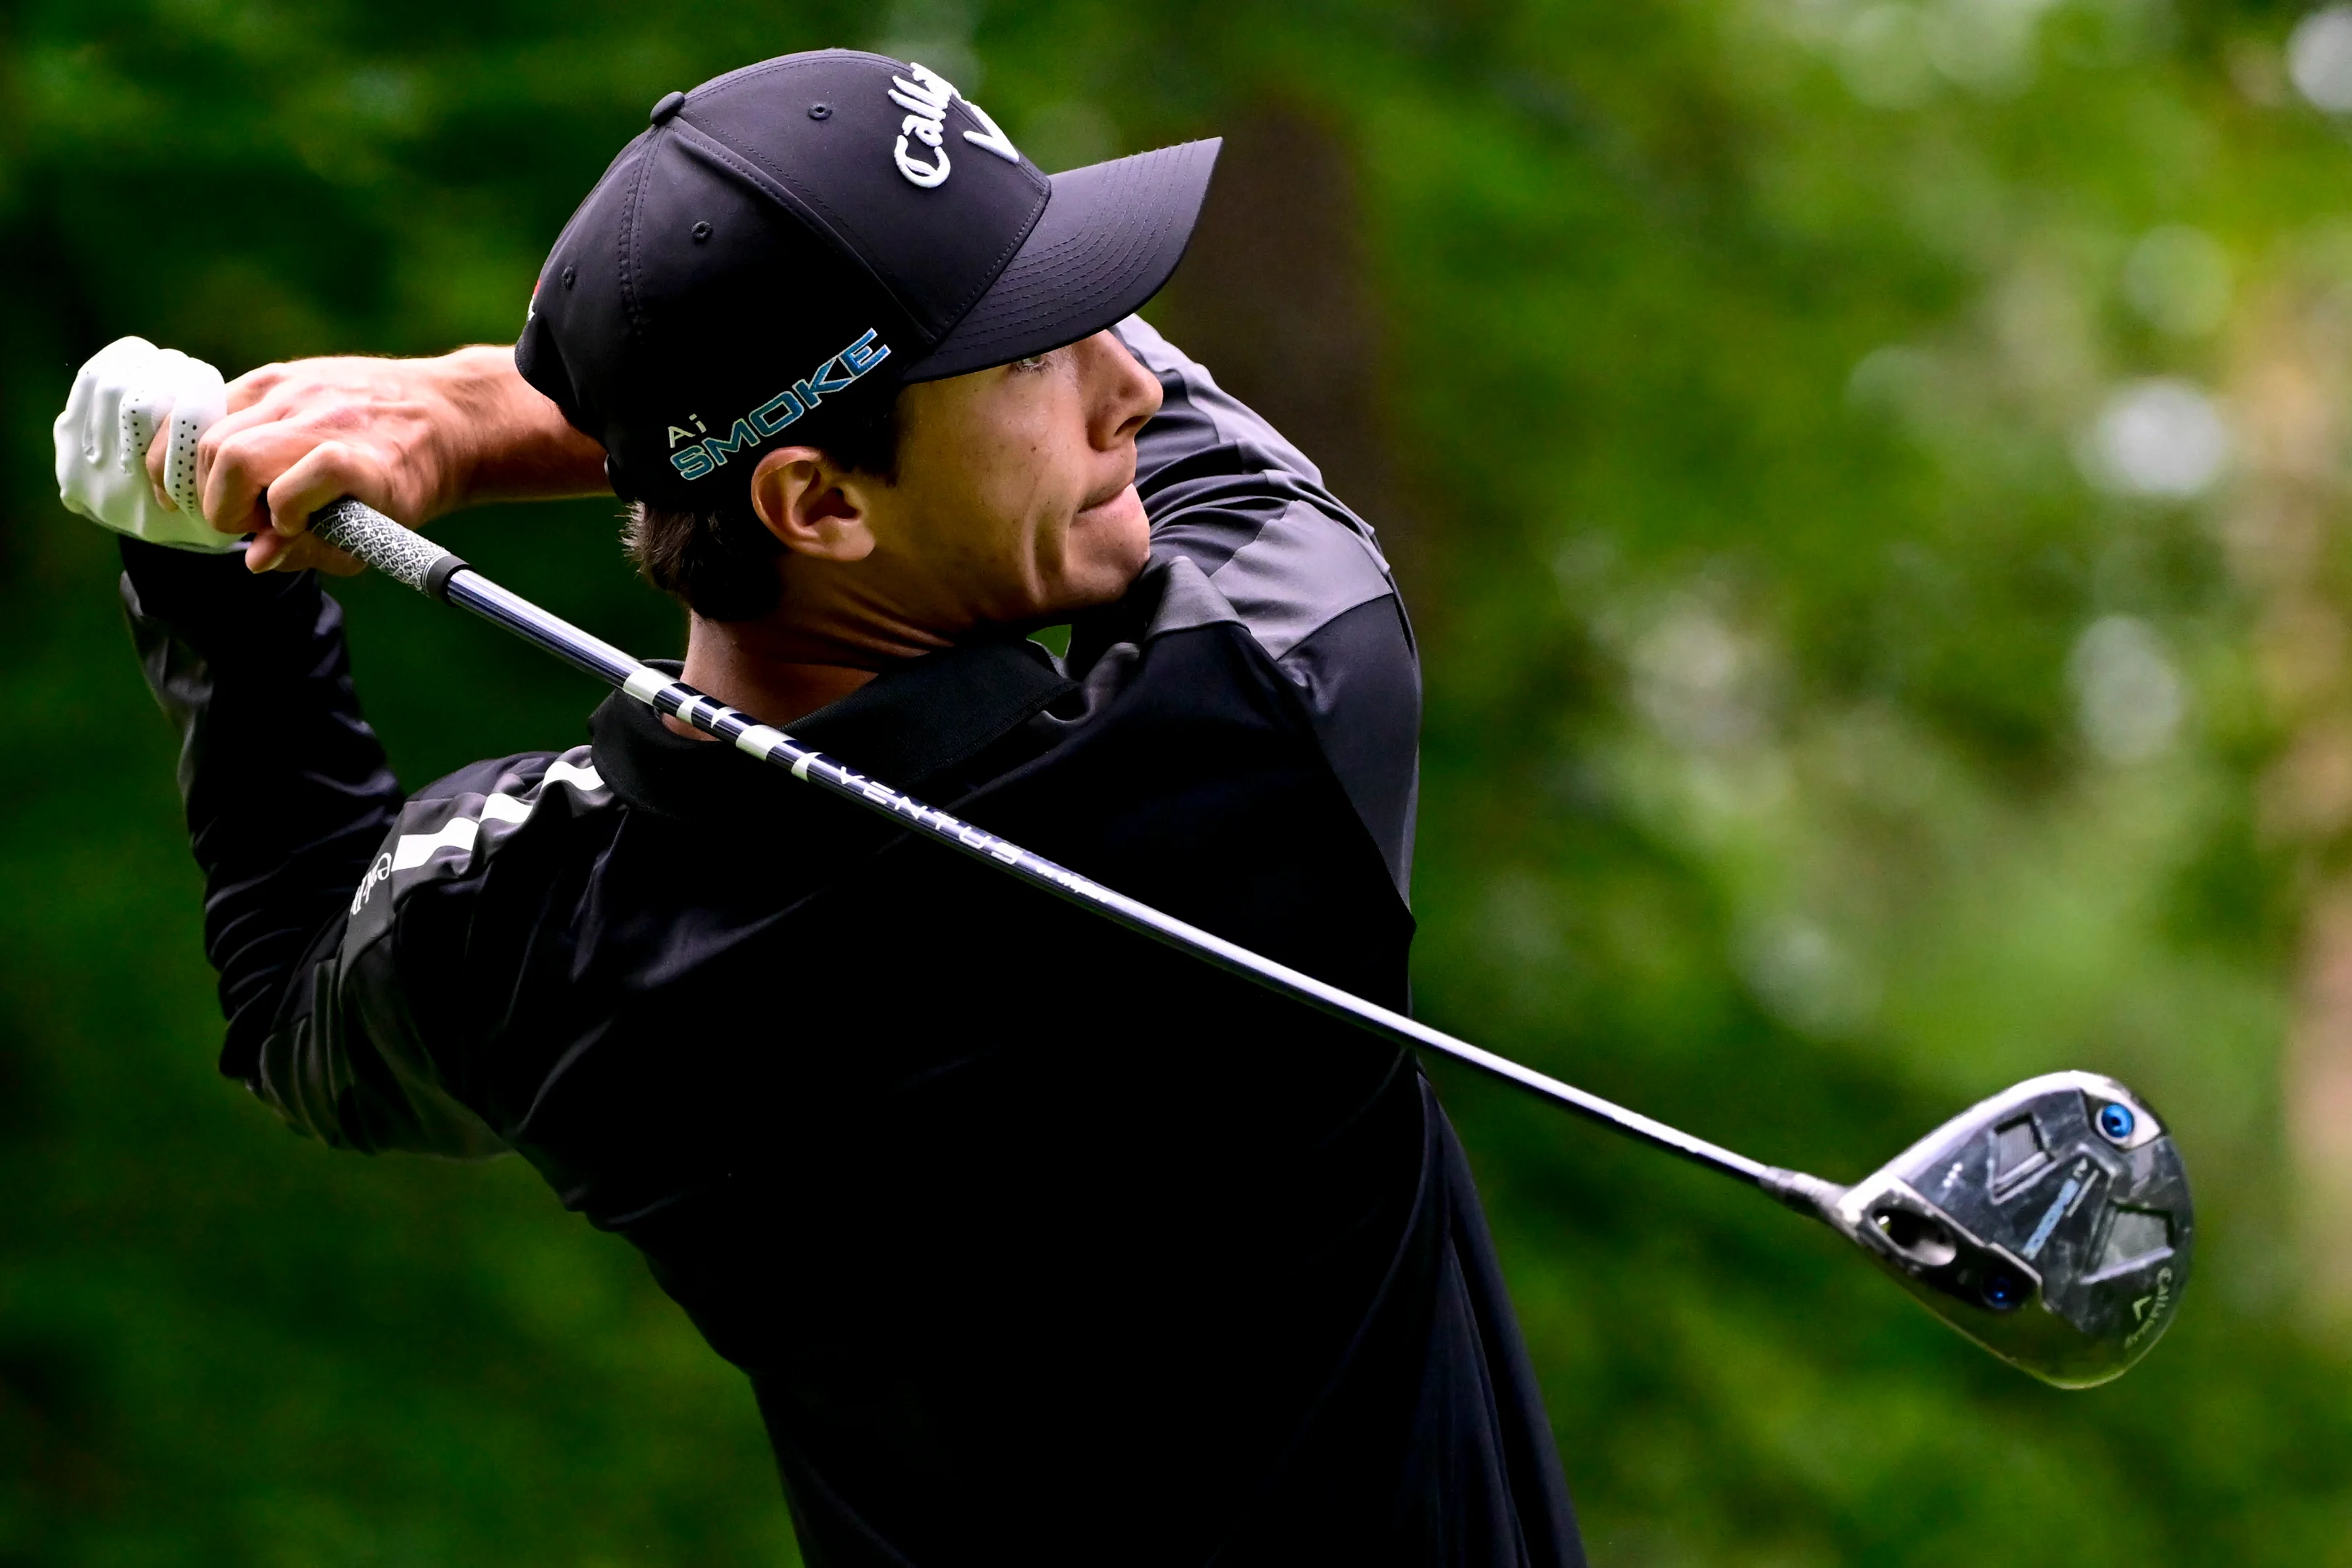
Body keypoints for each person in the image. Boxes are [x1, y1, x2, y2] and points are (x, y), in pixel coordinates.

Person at [93, 49, 1584, 1567]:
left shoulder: (548, 947)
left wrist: (195, 552)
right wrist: (476, 417)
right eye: (1026, 357)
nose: (1124, 383)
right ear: (817, 506)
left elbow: (291, 986)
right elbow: (1202, 446)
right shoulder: (1267, 726)